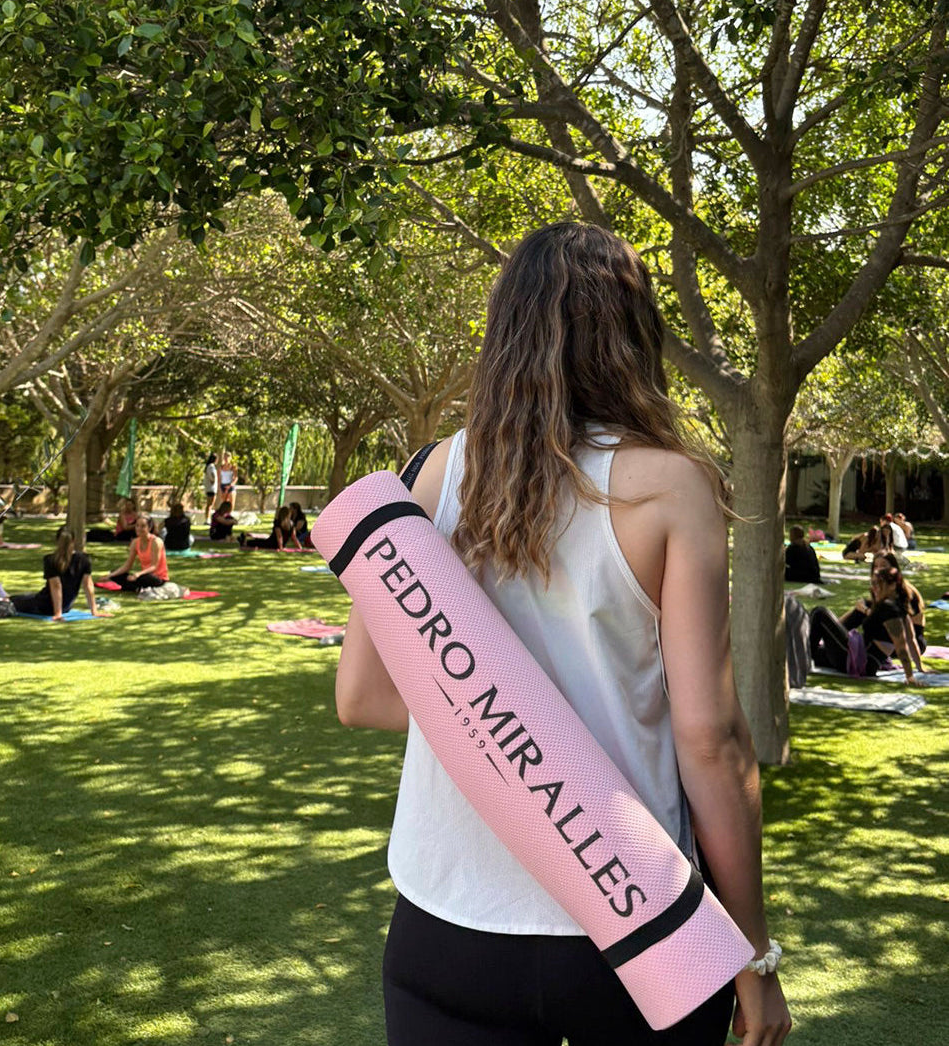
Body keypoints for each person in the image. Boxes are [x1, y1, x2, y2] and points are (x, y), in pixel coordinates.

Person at [333, 224, 790, 1046]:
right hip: (637, 925)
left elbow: (362, 697)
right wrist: (754, 955)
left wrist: (501, 736)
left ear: (505, 330)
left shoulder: (427, 476)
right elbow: (711, 739)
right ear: (632, 335)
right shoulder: (672, 487)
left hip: (446, 922)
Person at [809, 566, 923, 682]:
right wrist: (920, 668)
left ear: (893, 585)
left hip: (859, 660)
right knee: (817, 652)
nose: (874, 588)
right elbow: (912, 641)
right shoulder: (898, 608)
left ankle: (803, 659)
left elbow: (902, 646)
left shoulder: (890, 609)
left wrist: (910, 676)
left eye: (878, 584)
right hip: (858, 658)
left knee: (819, 612)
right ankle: (802, 656)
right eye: (873, 584)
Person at [0, 527, 108, 621]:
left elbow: (56, 587)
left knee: (17, 603)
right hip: (64, 605)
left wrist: (57, 613)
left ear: (56, 541)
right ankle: (6, 596)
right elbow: (88, 586)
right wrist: (94, 611)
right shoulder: (83, 559)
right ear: (73, 541)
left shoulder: (51, 559)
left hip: (46, 606)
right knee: (27, 596)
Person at [100, 514, 170, 591]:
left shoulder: (156, 542)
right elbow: (127, 565)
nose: (139, 529)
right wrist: (110, 575)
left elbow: (154, 566)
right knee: (116, 573)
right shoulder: (135, 542)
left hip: (157, 577)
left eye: (143, 526)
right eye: (137, 526)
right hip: (142, 575)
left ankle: (133, 586)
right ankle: (134, 586)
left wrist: (138, 574)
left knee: (142, 578)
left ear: (149, 528)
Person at [203, 453, 219, 524]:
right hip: (211, 488)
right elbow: (212, 475)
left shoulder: (209, 466)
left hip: (209, 488)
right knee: (210, 504)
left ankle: (208, 518)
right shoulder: (211, 467)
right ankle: (207, 519)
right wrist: (213, 480)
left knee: (209, 504)